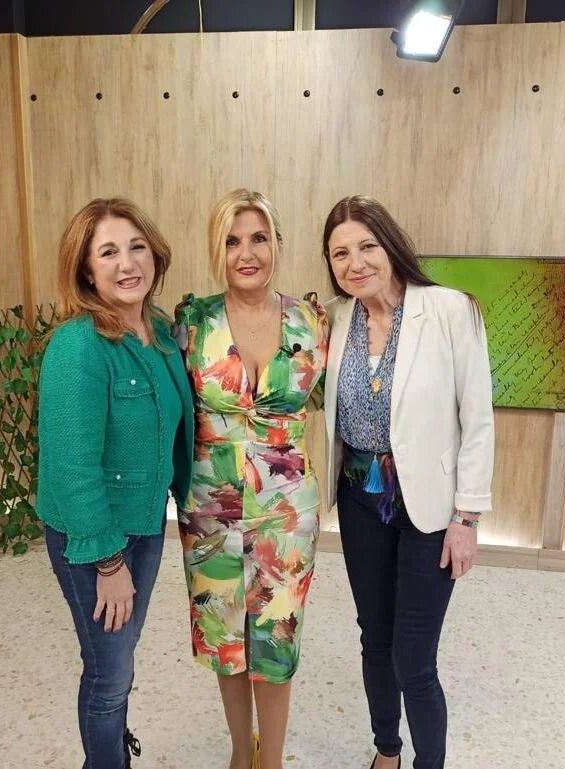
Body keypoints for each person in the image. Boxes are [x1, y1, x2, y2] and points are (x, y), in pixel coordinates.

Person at [322, 196, 494, 769]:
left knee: (414, 659)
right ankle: (387, 750)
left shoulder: (450, 310)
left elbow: (478, 419)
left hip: (430, 507)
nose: (355, 263)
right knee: (375, 638)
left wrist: (466, 518)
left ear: (391, 245)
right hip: (359, 500)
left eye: (366, 246)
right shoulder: (334, 319)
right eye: (340, 253)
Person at [173, 189, 328, 769]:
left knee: (276, 637)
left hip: (287, 511)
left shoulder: (312, 321)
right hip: (210, 508)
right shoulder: (192, 321)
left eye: (258, 238)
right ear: (217, 250)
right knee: (226, 639)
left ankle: (273, 759)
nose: (246, 253)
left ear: (277, 244)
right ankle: (242, 753)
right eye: (232, 241)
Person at [37, 197, 194, 769]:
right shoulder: (78, 346)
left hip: (145, 523)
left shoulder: (159, 331)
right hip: (95, 538)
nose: (127, 263)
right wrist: (109, 564)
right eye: (108, 253)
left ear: (155, 253)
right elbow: (71, 468)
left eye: (136, 247)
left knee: (119, 658)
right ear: (86, 270)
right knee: (108, 672)